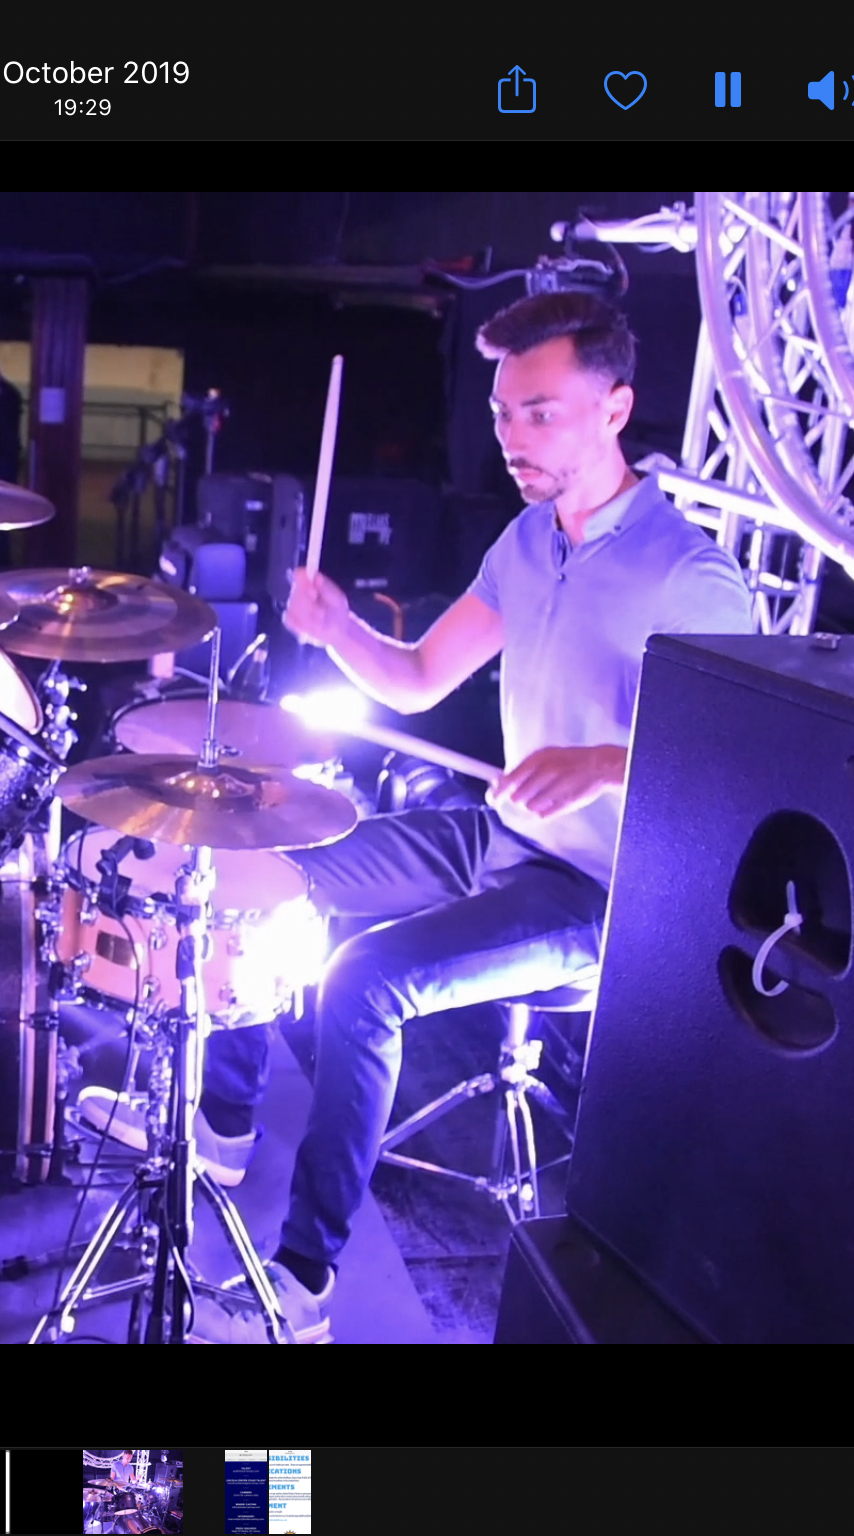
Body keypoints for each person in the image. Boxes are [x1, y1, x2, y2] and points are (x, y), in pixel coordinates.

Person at [143, 290, 753, 1342]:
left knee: (365, 983)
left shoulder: (688, 576)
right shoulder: (526, 542)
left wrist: (605, 759)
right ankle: (224, 1124)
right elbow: (420, 678)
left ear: (613, 409)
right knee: (267, 856)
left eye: (540, 412)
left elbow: (734, 775)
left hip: (606, 899)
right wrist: (335, 628)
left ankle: (302, 1285)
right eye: (501, 412)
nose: (512, 438)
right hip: (498, 835)